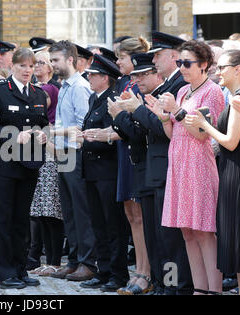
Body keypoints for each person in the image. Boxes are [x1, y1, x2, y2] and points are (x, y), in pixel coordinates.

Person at [146, 40, 225, 295]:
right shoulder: (183, 91)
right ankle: (199, 289)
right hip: (178, 164)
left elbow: (203, 134)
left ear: (204, 65)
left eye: (187, 63)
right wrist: (162, 117)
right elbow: (174, 134)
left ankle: (214, 290)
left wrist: (176, 111)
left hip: (199, 165)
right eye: (179, 62)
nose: (182, 68)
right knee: (187, 232)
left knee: (204, 232)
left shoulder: (211, 92)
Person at [0, 48, 49, 290]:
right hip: (2, 165)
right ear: (12, 68)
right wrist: (12, 136)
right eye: (22, 66)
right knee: (2, 220)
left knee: (21, 220)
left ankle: (20, 269)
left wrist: (42, 135)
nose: (28, 70)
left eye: (31, 66)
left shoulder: (38, 95)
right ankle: (4, 273)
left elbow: (43, 124)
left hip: (27, 165)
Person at [131, 31, 192, 295]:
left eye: (158, 55)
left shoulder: (178, 86)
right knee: (160, 237)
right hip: (157, 169)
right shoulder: (170, 84)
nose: (154, 61)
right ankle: (164, 285)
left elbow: (163, 127)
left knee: (171, 238)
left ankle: (175, 287)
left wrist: (137, 110)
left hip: (168, 168)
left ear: (174, 56)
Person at [184, 50, 240, 295]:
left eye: (222, 67)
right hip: (232, 171)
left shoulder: (239, 98)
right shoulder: (236, 97)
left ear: (238, 69)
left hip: (239, 173)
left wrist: (205, 126)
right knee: (238, 245)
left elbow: (230, 142)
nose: (217, 71)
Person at [108, 53, 165, 295]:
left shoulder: (159, 95)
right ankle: (144, 273)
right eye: (136, 75)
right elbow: (132, 131)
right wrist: (119, 116)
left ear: (156, 73)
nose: (138, 80)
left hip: (151, 166)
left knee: (155, 227)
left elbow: (142, 132)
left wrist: (120, 115)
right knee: (140, 221)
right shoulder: (140, 96)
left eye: (144, 74)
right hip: (138, 162)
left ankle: (156, 278)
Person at [77, 54, 129, 292]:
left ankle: (117, 275)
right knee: (98, 223)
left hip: (107, 170)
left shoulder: (112, 100)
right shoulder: (93, 98)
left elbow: (113, 134)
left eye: (93, 75)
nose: (89, 77)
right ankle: (103, 270)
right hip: (91, 169)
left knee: (113, 225)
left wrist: (87, 138)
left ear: (105, 78)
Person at [47, 40, 96, 282]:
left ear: (70, 60)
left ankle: (88, 262)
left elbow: (81, 126)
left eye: (55, 60)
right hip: (64, 154)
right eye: (51, 60)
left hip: (75, 154)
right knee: (69, 211)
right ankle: (75, 260)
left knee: (81, 210)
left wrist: (53, 135)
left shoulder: (79, 87)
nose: (52, 64)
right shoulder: (65, 86)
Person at [113, 36, 150, 289]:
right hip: (123, 150)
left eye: (121, 57)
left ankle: (145, 272)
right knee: (130, 213)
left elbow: (137, 122)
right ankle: (137, 268)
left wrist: (119, 117)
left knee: (140, 213)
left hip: (137, 152)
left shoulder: (140, 85)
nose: (117, 62)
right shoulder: (124, 83)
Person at [29, 83, 62, 277]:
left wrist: (45, 138)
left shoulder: (57, 121)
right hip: (39, 169)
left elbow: (60, 152)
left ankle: (55, 262)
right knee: (41, 217)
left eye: (46, 97)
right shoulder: (39, 119)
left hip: (52, 169)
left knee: (53, 217)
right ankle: (47, 261)